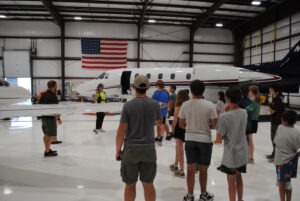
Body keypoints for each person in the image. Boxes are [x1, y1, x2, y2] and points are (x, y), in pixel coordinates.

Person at [115, 75, 162, 201]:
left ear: (133, 87)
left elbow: (121, 132)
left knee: (130, 184)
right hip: (149, 149)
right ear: (148, 87)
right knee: (148, 183)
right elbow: (160, 124)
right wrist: (159, 137)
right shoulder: (155, 104)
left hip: (131, 150)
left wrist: (118, 150)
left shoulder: (128, 106)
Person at [178, 80, 217, 201]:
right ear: (203, 90)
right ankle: (204, 194)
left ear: (190, 90)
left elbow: (181, 124)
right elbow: (214, 125)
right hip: (205, 140)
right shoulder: (210, 105)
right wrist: (204, 127)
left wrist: (191, 128)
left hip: (190, 139)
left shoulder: (185, 105)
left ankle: (190, 195)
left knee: (190, 169)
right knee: (203, 170)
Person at [215, 87, 249, 201]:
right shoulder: (244, 112)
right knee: (239, 177)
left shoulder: (224, 117)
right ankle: (240, 199)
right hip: (243, 150)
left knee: (231, 181)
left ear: (227, 99)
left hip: (231, 153)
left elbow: (219, 138)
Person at [274, 110, 300, 201]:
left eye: (282, 120)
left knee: (281, 182)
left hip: (281, 162)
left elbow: (276, 141)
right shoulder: (296, 132)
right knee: (287, 183)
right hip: (290, 162)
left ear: (285, 121)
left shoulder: (280, 128)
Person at [39, 80, 62, 157]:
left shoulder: (44, 94)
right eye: (56, 85)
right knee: (48, 136)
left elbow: (40, 105)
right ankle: (47, 151)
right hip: (50, 119)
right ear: (54, 86)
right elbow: (55, 110)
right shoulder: (52, 95)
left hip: (44, 118)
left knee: (46, 134)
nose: (57, 87)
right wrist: (58, 119)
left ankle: (48, 149)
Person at [169, 90, 189, 178]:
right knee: (178, 147)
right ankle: (176, 164)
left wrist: (172, 129)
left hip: (179, 128)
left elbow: (175, 120)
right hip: (187, 128)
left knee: (179, 148)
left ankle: (181, 170)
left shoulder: (178, 107)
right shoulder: (189, 106)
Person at [267, 84, 285, 162]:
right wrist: (271, 110)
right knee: (273, 138)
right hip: (274, 120)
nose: (269, 90)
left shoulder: (278, 98)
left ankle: (276, 156)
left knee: (275, 138)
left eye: (270, 88)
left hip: (277, 121)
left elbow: (273, 110)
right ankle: (274, 153)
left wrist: (271, 110)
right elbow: (270, 108)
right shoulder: (274, 97)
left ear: (274, 89)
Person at [152, 80, 169, 145]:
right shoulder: (165, 93)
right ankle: (159, 136)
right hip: (163, 112)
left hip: (157, 112)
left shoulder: (156, 94)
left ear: (158, 86)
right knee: (161, 125)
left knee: (159, 125)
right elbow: (167, 103)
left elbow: (153, 103)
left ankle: (160, 137)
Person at [248, 85, 261, 164]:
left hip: (251, 121)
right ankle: (249, 157)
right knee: (249, 139)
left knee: (249, 140)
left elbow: (247, 110)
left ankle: (251, 158)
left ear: (252, 92)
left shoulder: (254, 101)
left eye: (249, 91)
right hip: (252, 121)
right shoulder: (255, 100)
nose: (248, 92)